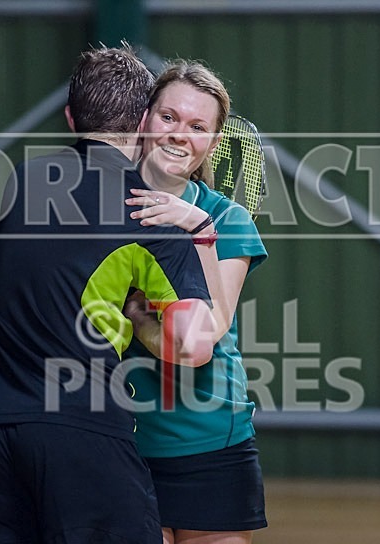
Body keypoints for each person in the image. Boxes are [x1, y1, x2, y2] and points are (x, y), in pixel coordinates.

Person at [0, 45, 218, 544]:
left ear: (71, 115)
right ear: (143, 122)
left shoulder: (23, 183)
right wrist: (144, 314)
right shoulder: (153, 216)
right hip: (86, 433)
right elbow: (193, 345)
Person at [123, 61, 268, 544]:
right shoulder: (101, 209)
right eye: (169, 117)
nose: (180, 134)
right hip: (121, 441)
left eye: (198, 127)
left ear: (212, 142)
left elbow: (214, 325)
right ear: (144, 120)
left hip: (211, 439)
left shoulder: (227, 218)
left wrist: (198, 229)